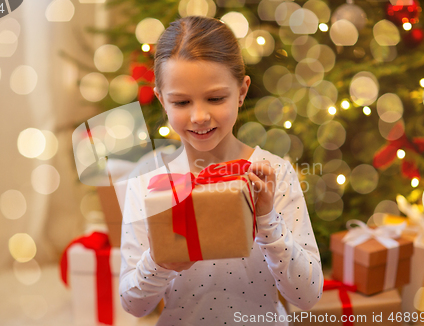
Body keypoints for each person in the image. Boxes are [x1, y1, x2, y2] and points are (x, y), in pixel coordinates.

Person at [119, 15, 323, 325]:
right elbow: (134, 305)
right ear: (162, 100)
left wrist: (267, 220)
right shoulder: (148, 183)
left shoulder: (272, 174)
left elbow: (308, 296)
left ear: (241, 92)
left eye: (215, 98)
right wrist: (160, 262)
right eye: (182, 102)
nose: (199, 116)